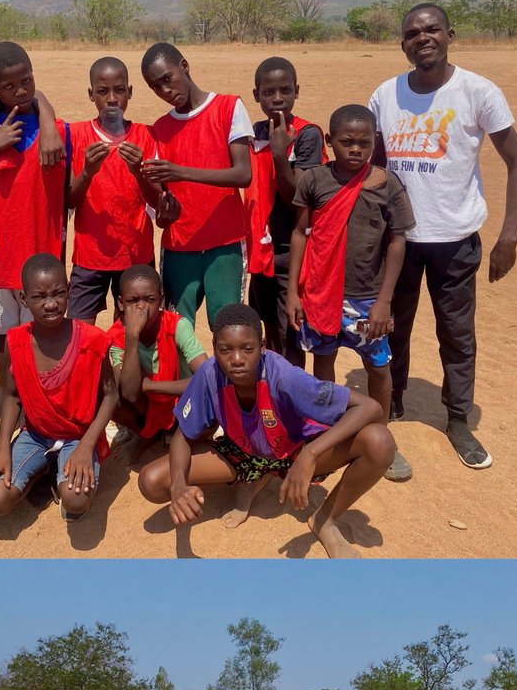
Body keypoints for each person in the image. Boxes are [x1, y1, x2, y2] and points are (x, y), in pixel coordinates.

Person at [368, 2, 517, 476]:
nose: (423, 38)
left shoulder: (478, 91)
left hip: (455, 238)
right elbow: (374, 168)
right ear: (402, 43)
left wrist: (509, 237)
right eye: (412, 33)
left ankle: (458, 419)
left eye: (432, 29)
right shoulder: (386, 94)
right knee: (391, 326)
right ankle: (392, 400)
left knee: (457, 335)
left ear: (449, 35)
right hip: (398, 240)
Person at [137, 304, 395, 557]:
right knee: (153, 482)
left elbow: (370, 408)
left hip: (295, 451)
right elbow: (183, 435)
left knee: (380, 442)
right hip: (244, 452)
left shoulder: (284, 377)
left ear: (262, 347)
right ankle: (254, 478)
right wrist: (180, 487)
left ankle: (325, 520)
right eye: (225, 350)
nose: (237, 359)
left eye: (247, 349)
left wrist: (310, 455)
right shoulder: (209, 374)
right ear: (214, 349)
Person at [288, 104, 415, 483]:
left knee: (378, 367)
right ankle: (328, 435)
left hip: (366, 301)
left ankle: (384, 438)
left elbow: (397, 241)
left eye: (364, 143)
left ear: (375, 142)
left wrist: (384, 301)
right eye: (346, 142)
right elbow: (300, 234)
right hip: (320, 294)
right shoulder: (314, 180)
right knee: (323, 363)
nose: (355, 150)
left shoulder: (387, 184)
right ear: (329, 142)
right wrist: (295, 293)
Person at [0, 41, 66, 446]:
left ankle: (41, 407)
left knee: (43, 335)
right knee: (4, 336)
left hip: (43, 260)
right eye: (10, 86)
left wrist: (46, 120)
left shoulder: (59, 133)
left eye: (27, 81)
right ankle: (13, 403)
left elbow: (69, 192)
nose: (21, 90)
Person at [0, 254, 119, 525]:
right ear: (23, 300)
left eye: (58, 294)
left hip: (78, 435)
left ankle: (59, 472)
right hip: (36, 434)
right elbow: (11, 396)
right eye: (39, 297)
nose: (51, 304)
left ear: (69, 292)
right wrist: (3, 448)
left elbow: (111, 395)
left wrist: (87, 444)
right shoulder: (16, 342)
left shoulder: (93, 341)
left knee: (76, 500)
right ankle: (41, 471)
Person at [140, 43, 253, 331]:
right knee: (177, 330)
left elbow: (242, 174)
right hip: (180, 245)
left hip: (225, 244)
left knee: (228, 328)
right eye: (156, 87)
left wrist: (181, 172)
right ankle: (184, 380)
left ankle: (225, 380)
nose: (165, 91)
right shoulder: (160, 128)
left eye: (167, 78)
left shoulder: (228, 107)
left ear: (185, 66)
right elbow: (161, 203)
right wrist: (164, 211)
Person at [67, 57, 168, 323]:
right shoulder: (76, 135)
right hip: (90, 257)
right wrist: (88, 171)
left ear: (130, 92)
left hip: (135, 256)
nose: (112, 99)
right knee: (79, 332)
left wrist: (138, 171)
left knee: (133, 333)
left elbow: (158, 202)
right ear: (91, 95)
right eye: (102, 91)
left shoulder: (146, 136)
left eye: (119, 90)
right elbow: (70, 200)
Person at [245, 56, 325, 365]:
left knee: (290, 331)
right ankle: (273, 397)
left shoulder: (307, 135)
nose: (277, 98)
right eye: (268, 92)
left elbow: (297, 199)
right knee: (265, 326)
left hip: (291, 250)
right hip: (261, 249)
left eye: (285, 90)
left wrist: (280, 156)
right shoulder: (256, 130)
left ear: (296, 91)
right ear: (256, 95)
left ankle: (289, 399)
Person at [109, 265, 208, 445]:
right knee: (109, 397)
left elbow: (207, 377)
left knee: (210, 402)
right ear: (120, 303)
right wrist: (132, 336)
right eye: (132, 301)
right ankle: (148, 437)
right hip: (145, 407)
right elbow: (130, 394)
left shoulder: (176, 325)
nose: (141, 307)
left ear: (161, 301)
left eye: (150, 299)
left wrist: (149, 386)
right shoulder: (116, 336)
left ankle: (175, 435)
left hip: (181, 403)